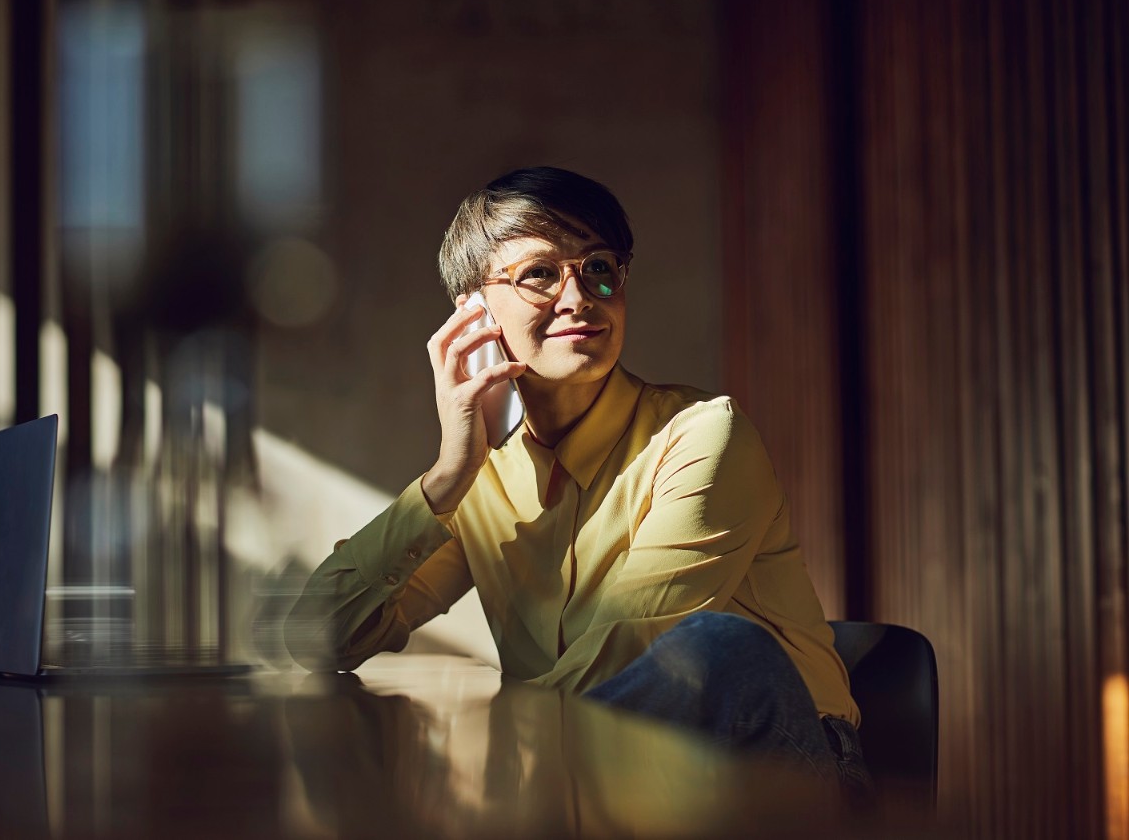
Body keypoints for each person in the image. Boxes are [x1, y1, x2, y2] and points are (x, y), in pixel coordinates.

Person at [286, 166, 871, 798]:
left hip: (779, 771)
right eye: (540, 274)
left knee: (719, 648)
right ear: (475, 316)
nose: (579, 298)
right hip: (594, 785)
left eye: (600, 268)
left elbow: (633, 647)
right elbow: (314, 636)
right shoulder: (482, 477)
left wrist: (471, 750)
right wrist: (448, 474)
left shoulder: (702, 436)